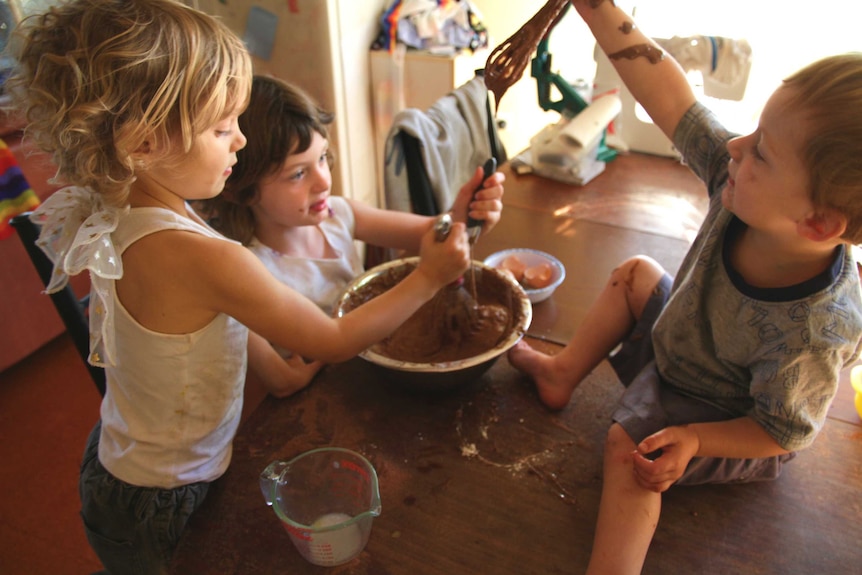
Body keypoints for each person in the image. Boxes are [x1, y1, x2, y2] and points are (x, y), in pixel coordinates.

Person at [4, 1, 473, 573]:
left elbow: (218, 316)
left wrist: (280, 375)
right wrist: (430, 277)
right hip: (163, 497)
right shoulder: (202, 254)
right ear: (145, 143)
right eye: (222, 127)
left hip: (122, 461)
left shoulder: (134, 202)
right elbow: (333, 339)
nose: (241, 142)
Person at [508, 1, 862, 573]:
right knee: (636, 273)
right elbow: (670, 95)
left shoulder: (818, 329)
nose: (734, 148)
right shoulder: (739, 183)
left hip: (723, 416)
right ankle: (560, 372)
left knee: (631, 454)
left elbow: (781, 431)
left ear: (818, 225)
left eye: (762, 152)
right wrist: (596, 10)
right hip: (685, 340)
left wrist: (696, 440)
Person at [202, 74, 504, 381]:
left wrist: (462, 216)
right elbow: (280, 379)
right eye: (297, 174)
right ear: (244, 188)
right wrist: (428, 276)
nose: (322, 181)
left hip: (367, 372)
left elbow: (434, 230)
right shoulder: (250, 270)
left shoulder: (339, 215)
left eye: (321, 158)